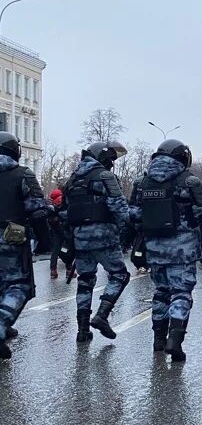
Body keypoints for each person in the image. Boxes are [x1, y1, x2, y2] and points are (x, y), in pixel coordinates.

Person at [132, 139, 202, 362]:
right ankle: (175, 340)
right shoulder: (190, 181)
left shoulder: (142, 182)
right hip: (182, 250)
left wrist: (139, 241)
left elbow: (133, 215)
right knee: (181, 293)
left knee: (161, 292)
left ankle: (158, 339)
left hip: (154, 248)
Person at [64, 141, 131, 343]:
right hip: (104, 235)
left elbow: (66, 208)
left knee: (85, 280)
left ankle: (82, 330)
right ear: (101, 157)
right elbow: (120, 209)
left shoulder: (74, 178)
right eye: (110, 159)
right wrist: (121, 228)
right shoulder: (105, 177)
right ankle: (102, 315)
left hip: (79, 237)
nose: (111, 163)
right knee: (120, 275)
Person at [0, 132, 50, 359]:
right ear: (15, 151)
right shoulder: (22, 174)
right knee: (19, 286)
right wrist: (45, 242)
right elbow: (37, 211)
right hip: (11, 237)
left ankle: (5, 329)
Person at [48, 189, 73, 279]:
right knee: (70, 248)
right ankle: (69, 269)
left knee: (55, 250)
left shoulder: (51, 205)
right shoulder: (66, 200)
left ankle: (53, 270)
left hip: (55, 229)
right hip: (66, 228)